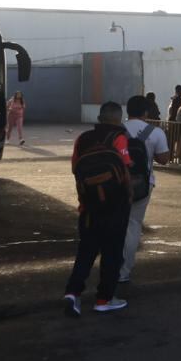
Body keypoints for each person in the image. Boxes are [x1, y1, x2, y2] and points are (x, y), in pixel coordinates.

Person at [63, 102, 132, 316]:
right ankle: (104, 299)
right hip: (115, 208)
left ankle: (73, 294)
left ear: (100, 117)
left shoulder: (83, 139)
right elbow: (126, 167)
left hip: (88, 207)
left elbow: (76, 168)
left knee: (86, 252)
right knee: (112, 254)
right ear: (118, 118)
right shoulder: (119, 138)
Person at [120, 96, 170, 284]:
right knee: (133, 225)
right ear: (146, 112)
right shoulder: (155, 132)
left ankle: (111, 267)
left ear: (128, 111)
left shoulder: (118, 130)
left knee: (116, 224)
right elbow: (164, 159)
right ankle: (124, 271)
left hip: (117, 184)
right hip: (142, 184)